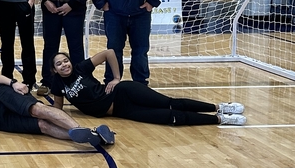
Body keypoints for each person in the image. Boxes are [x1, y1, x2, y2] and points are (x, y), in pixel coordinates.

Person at [50, 49, 246, 127]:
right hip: (121, 111)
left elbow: (109, 53)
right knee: (171, 119)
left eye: (66, 61)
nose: (64, 65)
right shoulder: (58, 85)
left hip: (122, 92)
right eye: (59, 64)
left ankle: (219, 107)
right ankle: (220, 119)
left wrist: (116, 77)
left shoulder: (81, 68)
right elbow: (57, 109)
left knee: (169, 103)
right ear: (54, 70)